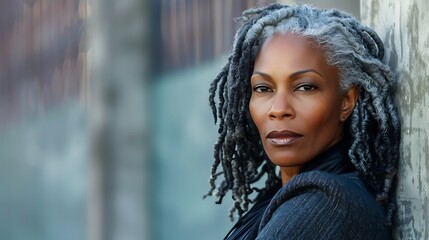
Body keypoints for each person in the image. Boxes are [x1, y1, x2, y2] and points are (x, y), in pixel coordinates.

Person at [205, 3, 401, 240]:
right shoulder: (279, 195)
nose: (278, 110)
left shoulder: (329, 202)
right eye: (263, 88)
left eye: (305, 87)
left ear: (346, 101)